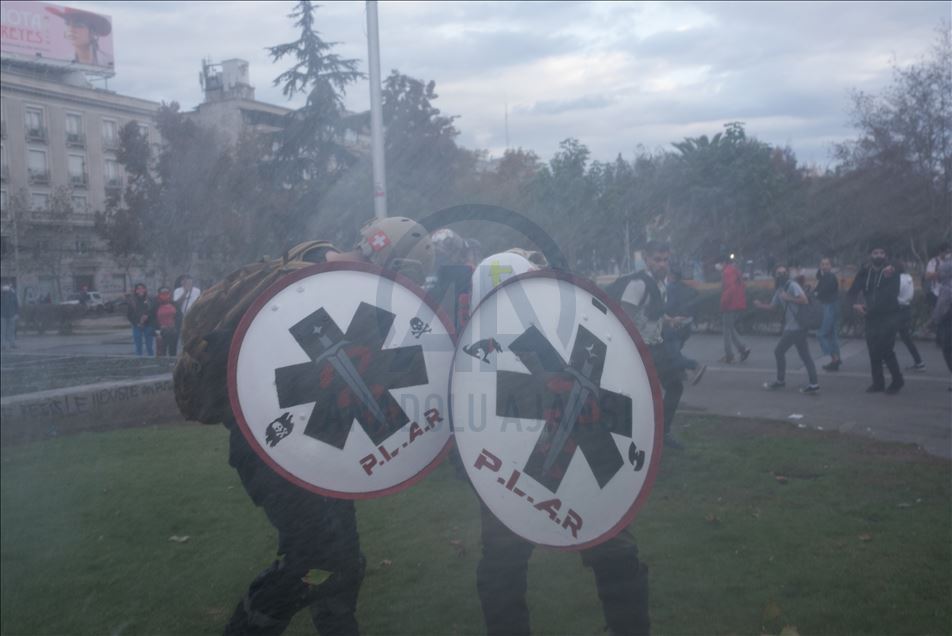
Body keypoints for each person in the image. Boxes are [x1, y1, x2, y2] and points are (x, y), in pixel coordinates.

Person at [176, 217, 434, 636]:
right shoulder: (302, 288)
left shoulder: (340, 286)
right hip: (269, 450)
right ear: (390, 263)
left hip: (321, 446)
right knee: (314, 562)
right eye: (402, 278)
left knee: (344, 561)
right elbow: (256, 375)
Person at [470, 249, 651, 636]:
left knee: (507, 564)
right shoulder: (534, 342)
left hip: (557, 462)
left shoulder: (483, 354)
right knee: (609, 552)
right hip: (534, 465)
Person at [618, 241, 687, 448]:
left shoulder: (660, 284)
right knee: (639, 397)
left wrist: (670, 320)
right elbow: (621, 318)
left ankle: (662, 433)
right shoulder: (637, 285)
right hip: (638, 350)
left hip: (656, 347)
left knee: (675, 387)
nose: (662, 264)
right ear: (646, 259)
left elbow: (651, 314)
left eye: (665, 260)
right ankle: (636, 438)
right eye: (657, 259)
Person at [753, 265, 820, 394]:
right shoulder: (779, 289)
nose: (782, 275)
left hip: (796, 327)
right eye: (779, 273)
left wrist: (788, 298)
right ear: (775, 275)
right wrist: (760, 305)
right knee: (805, 355)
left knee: (779, 351)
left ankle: (781, 381)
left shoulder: (792, 285)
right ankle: (813, 384)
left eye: (784, 273)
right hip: (796, 327)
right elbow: (773, 306)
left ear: (787, 274)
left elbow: (804, 300)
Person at [848, 245, 904, 394]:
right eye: (875, 253)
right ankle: (878, 383)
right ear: (870, 255)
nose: (879, 255)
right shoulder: (865, 271)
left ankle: (897, 380)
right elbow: (852, 292)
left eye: (882, 253)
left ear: (886, 255)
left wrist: (893, 269)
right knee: (873, 350)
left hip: (889, 316)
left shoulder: (891, 271)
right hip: (871, 317)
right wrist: (855, 305)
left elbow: (892, 293)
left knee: (886, 350)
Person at [663, 267, 706, 385]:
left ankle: (695, 366)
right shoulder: (687, 288)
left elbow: (668, 306)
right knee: (675, 352)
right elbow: (696, 302)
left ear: (672, 276)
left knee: (671, 355)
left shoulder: (670, 288)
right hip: (686, 327)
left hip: (674, 326)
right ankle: (680, 374)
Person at [44, 5, 113, 67]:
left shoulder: (108, 61)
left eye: (78, 25)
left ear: (93, 32)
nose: (71, 29)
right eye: (67, 23)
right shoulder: (63, 62)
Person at [718, 254, 751, 364]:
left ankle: (729, 356)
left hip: (729, 304)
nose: (718, 266)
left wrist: (723, 302)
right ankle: (742, 349)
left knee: (726, 331)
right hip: (735, 303)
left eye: (719, 263)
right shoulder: (734, 270)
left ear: (723, 262)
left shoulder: (727, 272)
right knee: (730, 328)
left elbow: (730, 289)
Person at [928, 244, 952, 386]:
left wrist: (933, 321)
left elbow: (941, 309)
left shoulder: (947, 288)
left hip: (948, 323)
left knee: (948, 350)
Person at [895, 263, 925, 371]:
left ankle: (886, 359)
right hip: (906, 309)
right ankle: (919, 362)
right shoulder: (909, 278)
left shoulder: (897, 279)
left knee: (889, 335)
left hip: (898, 309)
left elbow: (894, 294)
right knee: (906, 338)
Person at [815, 257, 842, 371]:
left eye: (827, 264)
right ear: (820, 266)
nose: (825, 266)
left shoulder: (830, 277)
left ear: (831, 266)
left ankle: (835, 359)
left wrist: (814, 294)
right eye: (822, 264)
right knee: (832, 335)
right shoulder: (824, 277)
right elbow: (819, 289)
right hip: (832, 305)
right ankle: (835, 361)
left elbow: (822, 291)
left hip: (829, 306)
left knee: (821, 334)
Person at [126, 283, 154, 357]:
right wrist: (136, 323)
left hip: (148, 325)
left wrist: (147, 316)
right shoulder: (132, 301)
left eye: (142, 288)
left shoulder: (150, 299)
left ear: (145, 290)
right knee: (138, 346)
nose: (140, 290)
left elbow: (153, 311)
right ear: (136, 290)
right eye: (138, 289)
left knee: (149, 346)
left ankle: (152, 360)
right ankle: (138, 361)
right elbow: (129, 315)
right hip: (137, 326)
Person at [151, 287, 179, 357]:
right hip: (161, 332)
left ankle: (172, 363)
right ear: (159, 295)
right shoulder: (155, 305)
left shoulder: (174, 304)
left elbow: (179, 317)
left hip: (173, 331)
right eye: (163, 294)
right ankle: (162, 364)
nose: (165, 295)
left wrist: (176, 327)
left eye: (167, 293)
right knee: (161, 352)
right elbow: (153, 319)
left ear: (169, 294)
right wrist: (157, 331)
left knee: (173, 352)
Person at [1, 284, 18, 350]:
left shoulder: (12, 294)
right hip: (5, 315)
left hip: (8, 315)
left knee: (9, 330)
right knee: (6, 331)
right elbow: (16, 304)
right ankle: (5, 344)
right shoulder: (10, 294)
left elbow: (16, 304)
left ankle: (10, 344)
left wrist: (16, 313)